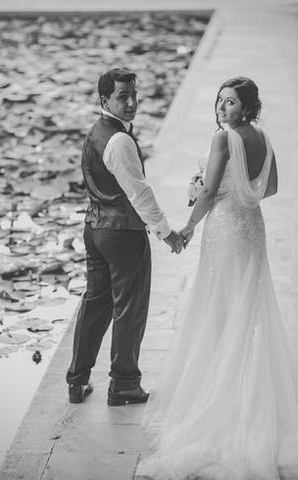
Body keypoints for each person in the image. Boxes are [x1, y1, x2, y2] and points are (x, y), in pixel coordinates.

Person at [136, 77, 298, 479]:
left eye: (230, 103)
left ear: (246, 107)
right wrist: (241, 192)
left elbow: (207, 192)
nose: (222, 108)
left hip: (225, 228)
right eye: (220, 101)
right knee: (250, 304)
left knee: (220, 304)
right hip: (252, 227)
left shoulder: (222, 140)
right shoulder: (263, 136)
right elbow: (271, 187)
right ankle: (250, 385)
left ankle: (222, 394)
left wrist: (189, 225)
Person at [66, 68, 185, 407]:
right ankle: (124, 384)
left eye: (134, 95)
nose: (132, 102)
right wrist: (167, 233)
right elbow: (139, 193)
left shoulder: (96, 132)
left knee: (95, 304)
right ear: (105, 100)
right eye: (123, 96)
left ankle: (77, 381)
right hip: (123, 233)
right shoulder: (119, 140)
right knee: (129, 309)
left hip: (95, 229)